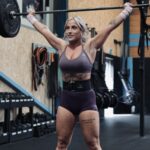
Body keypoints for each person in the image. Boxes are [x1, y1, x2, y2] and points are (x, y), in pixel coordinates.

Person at [26, 2, 133, 150]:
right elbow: (44, 30)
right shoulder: (61, 46)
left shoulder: (90, 46)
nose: (69, 31)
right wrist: (31, 17)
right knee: (61, 144)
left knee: (93, 144)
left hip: (86, 99)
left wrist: (126, 11)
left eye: (74, 27)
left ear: (81, 31)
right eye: (67, 28)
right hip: (66, 99)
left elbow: (110, 25)